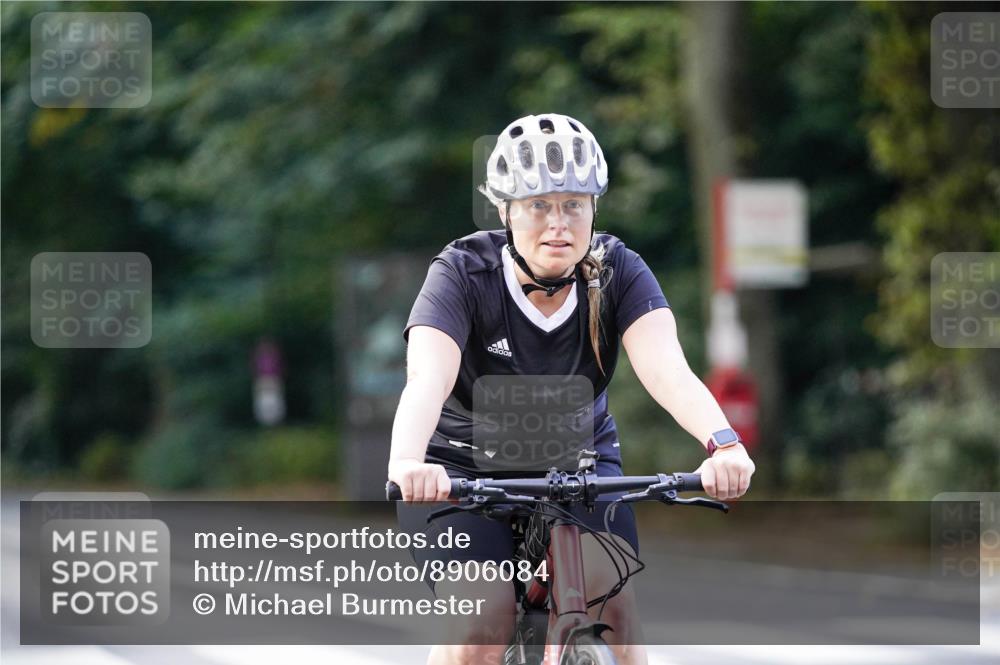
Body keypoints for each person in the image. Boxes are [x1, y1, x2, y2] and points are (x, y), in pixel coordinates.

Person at [387, 113, 756, 665]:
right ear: (505, 211)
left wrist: (723, 442)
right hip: (460, 472)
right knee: (482, 620)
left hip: (579, 465)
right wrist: (407, 463)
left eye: (573, 205)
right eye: (539, 205)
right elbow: (428, 379)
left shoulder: (618, 272)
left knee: (617, 610)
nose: (558, 224)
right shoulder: (463, 273)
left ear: (593, 211)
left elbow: (666, 369)